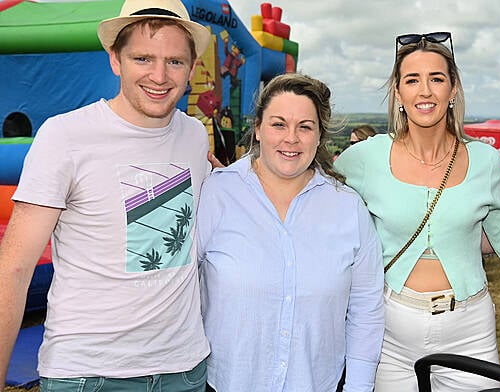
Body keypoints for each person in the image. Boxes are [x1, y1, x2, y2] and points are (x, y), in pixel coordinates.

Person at [0, 0, 213, 390]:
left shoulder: (194, 137)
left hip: (184, 369)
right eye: (143, 58)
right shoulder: (65, 137)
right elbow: (12, 269)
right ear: (115, 60)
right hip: (89, 373)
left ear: (192, 67)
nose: (160, 76)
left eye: (175, 62)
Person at [335, 32, 500, 391]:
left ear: (453, 90)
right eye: (412, 80)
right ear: (398, 93)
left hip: (470, 330)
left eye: (436, 79)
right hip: (390, 331)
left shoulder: (487, 161)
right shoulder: (362, 159)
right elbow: (316, 199)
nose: (425, 91)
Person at [198, 73, 384, 392]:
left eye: (305, 127)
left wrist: (359, 387)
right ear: (257, 128)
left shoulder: (348, 209)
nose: (291, 139)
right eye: (279, 124)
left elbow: (366, 309)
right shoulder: (216, 193)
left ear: (319, 135)